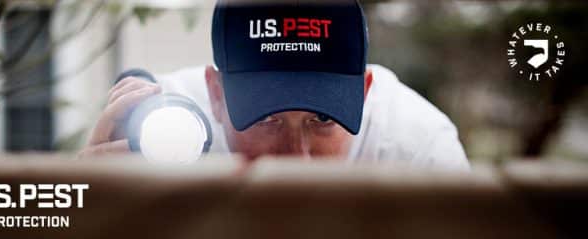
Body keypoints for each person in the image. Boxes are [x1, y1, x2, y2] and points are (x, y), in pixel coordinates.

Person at [79, 0, 470, 170]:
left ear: (365, 94)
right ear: (216, 96)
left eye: (322, 118)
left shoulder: (418, 147)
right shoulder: (166, 133)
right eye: (267, 119)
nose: (296, 158)